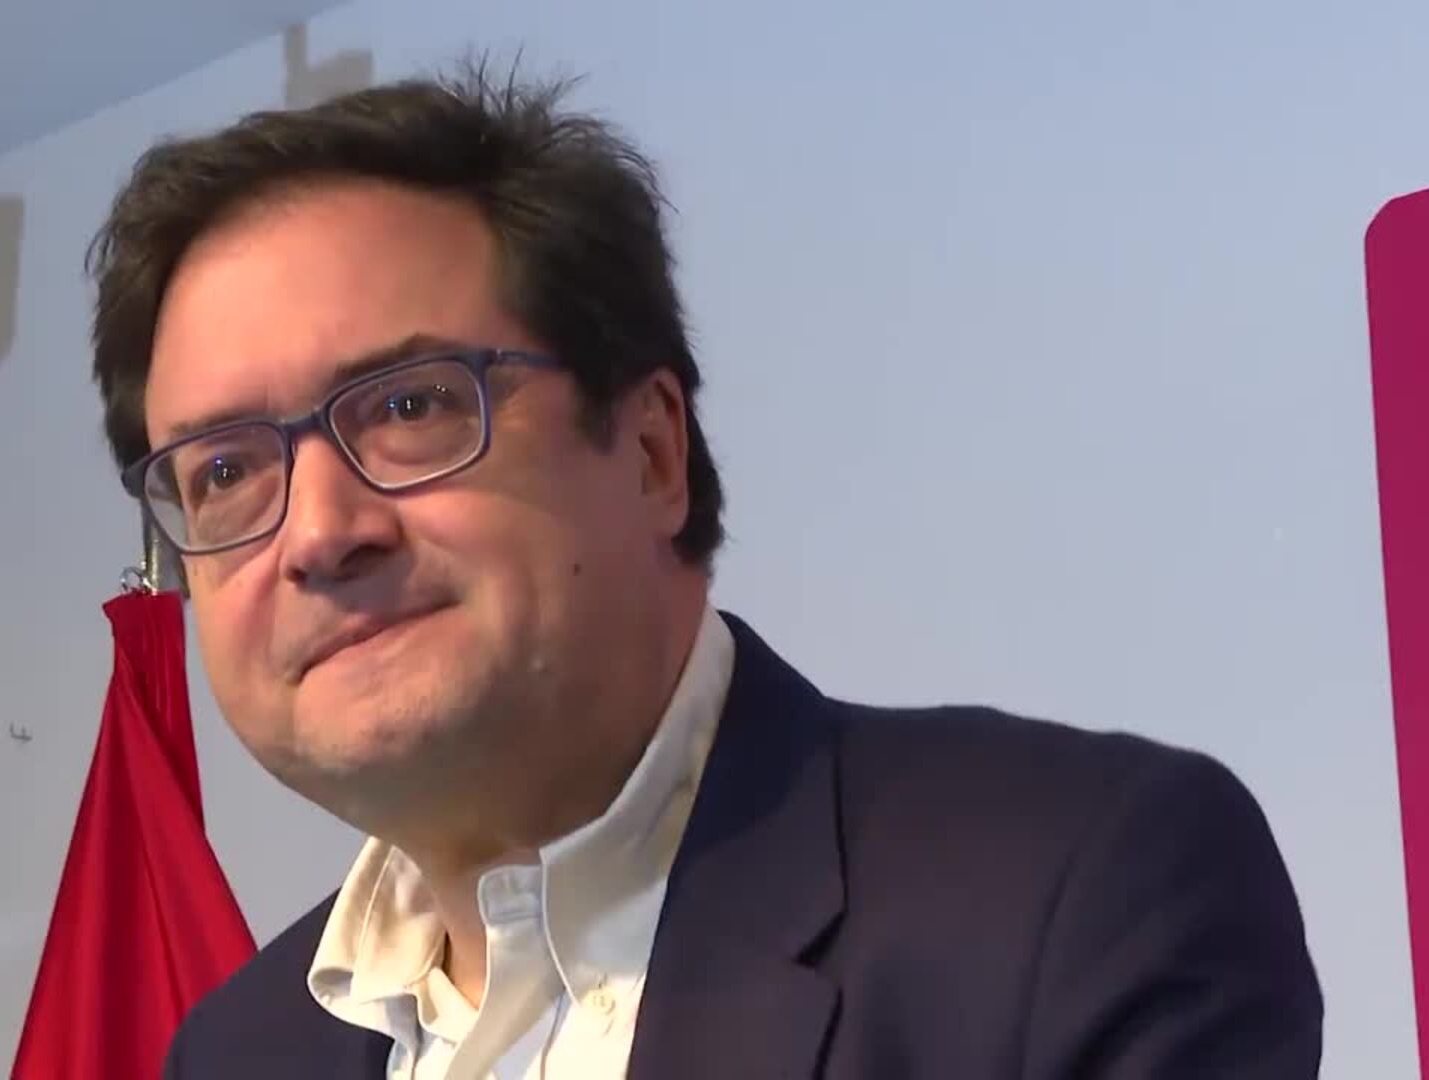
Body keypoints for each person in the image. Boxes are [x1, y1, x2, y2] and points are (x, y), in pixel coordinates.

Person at [87, 60, 1323, 1080]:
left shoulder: (1074, 892)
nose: (317, 533)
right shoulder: (234, 1054)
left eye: (411, 405)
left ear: (652, 452)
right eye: (224, 472)